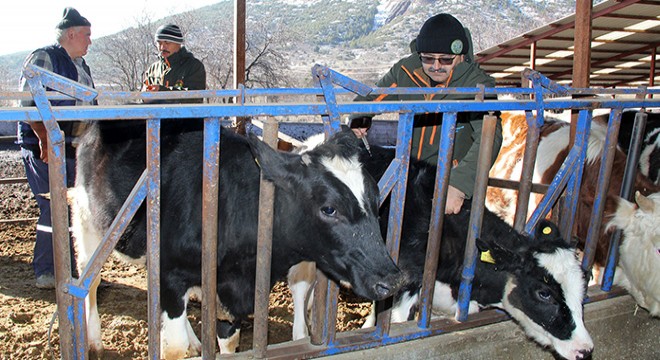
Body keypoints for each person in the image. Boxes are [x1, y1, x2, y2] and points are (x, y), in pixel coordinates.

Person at [349, 13, 503, 215]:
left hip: (450, 181)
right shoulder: (405, 71)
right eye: (428, 58)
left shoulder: (476, 85)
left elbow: (490, 136)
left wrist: (460, 185)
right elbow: (372, 98)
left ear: (461, 56)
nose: (436, 66)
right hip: (409, 178)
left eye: (446, 60)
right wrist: (360, 116)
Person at [17, 7, 95, 289]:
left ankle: (74, 270)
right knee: (54, 205)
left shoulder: (82, 67)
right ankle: (49, 271)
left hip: (75, 147)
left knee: (74, 207)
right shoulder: (44, 58)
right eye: (86, 35)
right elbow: (27, 101)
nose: (90, 41)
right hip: (47, 146)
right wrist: (43, 136)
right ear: (71, 34)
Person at [141, 24, 206, 103]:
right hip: (154, 113)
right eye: (159, 43)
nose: (162, 48)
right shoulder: (153, 69)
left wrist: (162, 91)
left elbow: (194, 98)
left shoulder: (193, 66)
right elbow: (143, 94)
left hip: (183, 114)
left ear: (178, 43)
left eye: (167, 43)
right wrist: (145, 95)